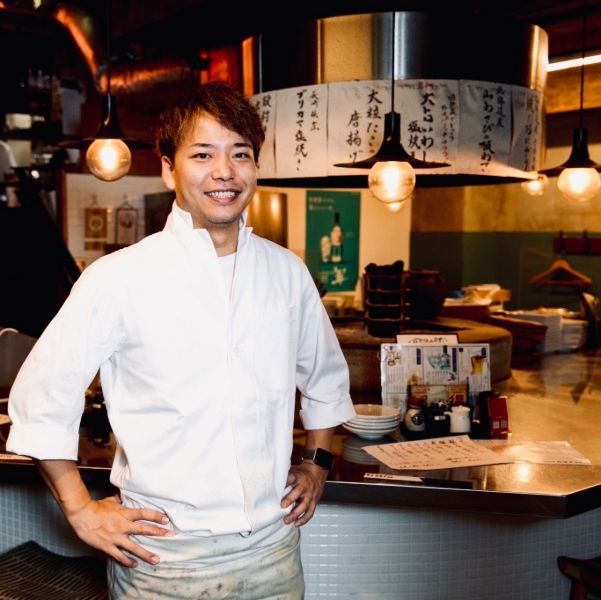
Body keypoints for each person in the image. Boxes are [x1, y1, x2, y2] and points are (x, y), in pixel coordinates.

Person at [7, 81, 355, 599]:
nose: (225, 171)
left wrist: (317, 463)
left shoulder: (287, 272)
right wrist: (80, 511)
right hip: (163, 561)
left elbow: (325, 379)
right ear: (170, 169)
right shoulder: (118, 278)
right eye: (203, 154)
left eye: (240, 154)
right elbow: (41, 398)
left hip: (274, 552)